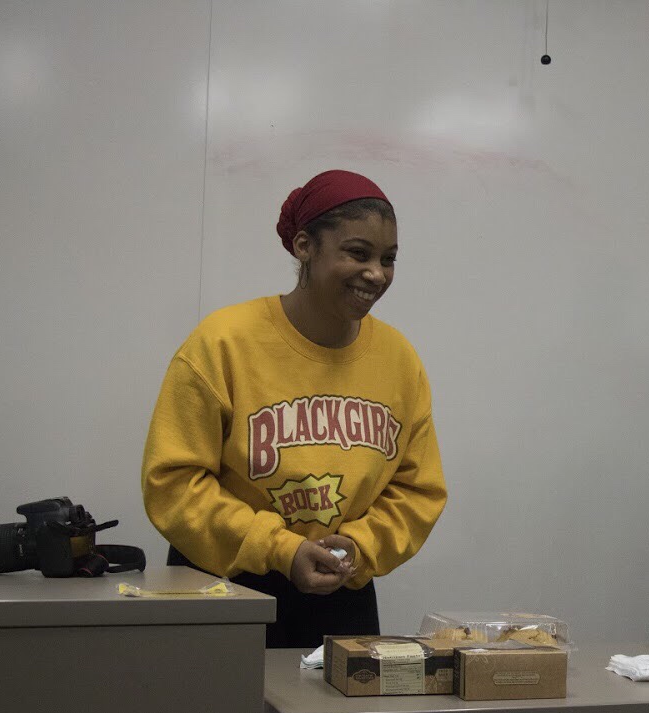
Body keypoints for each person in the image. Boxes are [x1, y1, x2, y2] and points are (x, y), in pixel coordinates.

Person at [142, 170, 447, 648]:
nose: (376, 273)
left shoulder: (399, 360)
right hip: (224, 585)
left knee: (334, 703)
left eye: (388, 259)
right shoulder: (223, 343)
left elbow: (417, 490)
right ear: (304, 246)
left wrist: (360, 546)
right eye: (358, 253)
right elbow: (173, 483)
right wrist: (280, 549)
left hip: (341, 589)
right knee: (214, 701)